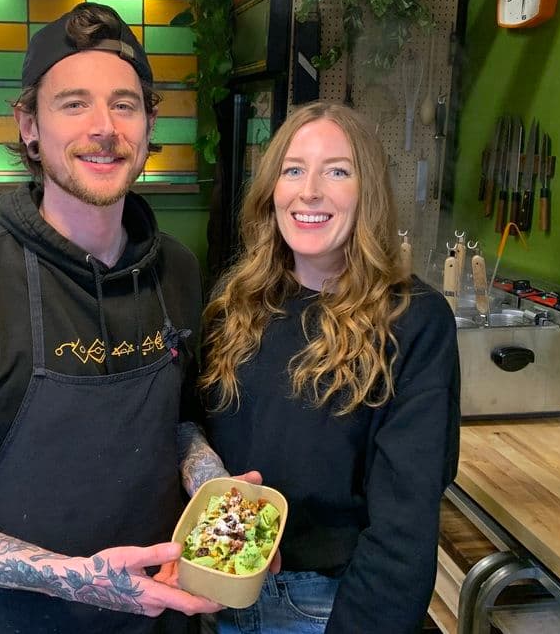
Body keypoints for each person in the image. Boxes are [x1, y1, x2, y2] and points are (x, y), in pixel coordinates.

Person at [0, 2, 222, 633]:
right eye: (74, 103)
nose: (104, 127)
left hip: (171, 620)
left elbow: (179, 422)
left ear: (149, 124)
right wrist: (74, 579)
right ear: (29, 124)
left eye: (125, 104)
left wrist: (219, 498)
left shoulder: (178, 272)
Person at [182, 101, 460, 633]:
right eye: (293, 169)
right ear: (272, 190)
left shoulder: (413, 321)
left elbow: (405, 524)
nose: (310, 190)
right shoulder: (236, 301)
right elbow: (195, 431)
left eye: (337, 170)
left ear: (368, 194)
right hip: (216, 589)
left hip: (324, 605)